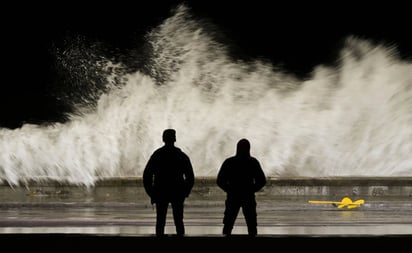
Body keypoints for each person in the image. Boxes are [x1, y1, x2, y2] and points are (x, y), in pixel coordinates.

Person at [143, 129, 195, 237]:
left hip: (161, 191)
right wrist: (185, 191)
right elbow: (190, 177)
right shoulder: (181, 155)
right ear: (175, 139)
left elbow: (147, 175)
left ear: (163, 139)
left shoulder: (157, 155)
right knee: (179, 221)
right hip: (177, 192)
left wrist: (151, 192)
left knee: (160, 221)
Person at [216, 138, 267, 237]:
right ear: (249, 149)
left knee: (228, 224)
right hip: (248, 197)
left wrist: (229, 190)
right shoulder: (253, 162)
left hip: (233, 197)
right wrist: (252, 189)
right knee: (251, 224)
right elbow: (262, 181)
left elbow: (220, 181)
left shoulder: (229, 162)